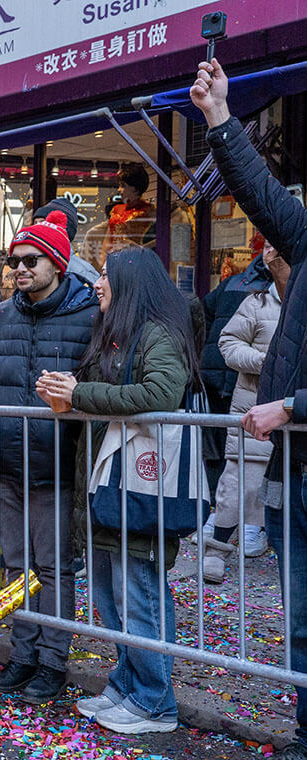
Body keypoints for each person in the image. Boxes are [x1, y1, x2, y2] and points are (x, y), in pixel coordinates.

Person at [192, 59, 307, 760]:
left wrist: (291, 404)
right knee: (301, 616)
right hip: (296, 468)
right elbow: (261, 196)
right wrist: (217, 116)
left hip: (292, 437)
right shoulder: (301, 243)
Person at [39, 247, 198, 734]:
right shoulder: (117, 332)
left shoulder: (158, 333)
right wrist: (70, 389)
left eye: (105, 275)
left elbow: (161, 394)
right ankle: (127, 686)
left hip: (141, 488)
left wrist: (79, 393)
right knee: (113, 599)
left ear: (130, 283)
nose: (97, 284)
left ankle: (154, 702)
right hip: (111, 485)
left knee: (139, 596)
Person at [0, 209, 99, 704]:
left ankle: (52, 661)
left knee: (55, 567)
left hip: (58, 466)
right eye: (13, 261)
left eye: (30, 260)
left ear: (57, 265)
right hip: (4, 462)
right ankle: (22, 654)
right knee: (15, 565)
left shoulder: (90, 317)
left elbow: (98, 384)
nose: (19, 269)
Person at [202, 240, 287, 581]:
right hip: (255, 409)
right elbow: (228, 343)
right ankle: (217, 549)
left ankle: (275, 543)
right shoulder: (257, 302)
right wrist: (263, 362)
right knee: (237, 484)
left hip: (295, 415)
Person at [33, 198, 100, 285]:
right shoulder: (28, 263)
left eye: (43, 222)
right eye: (35, 223)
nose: (36, 228)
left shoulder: (81, 272)